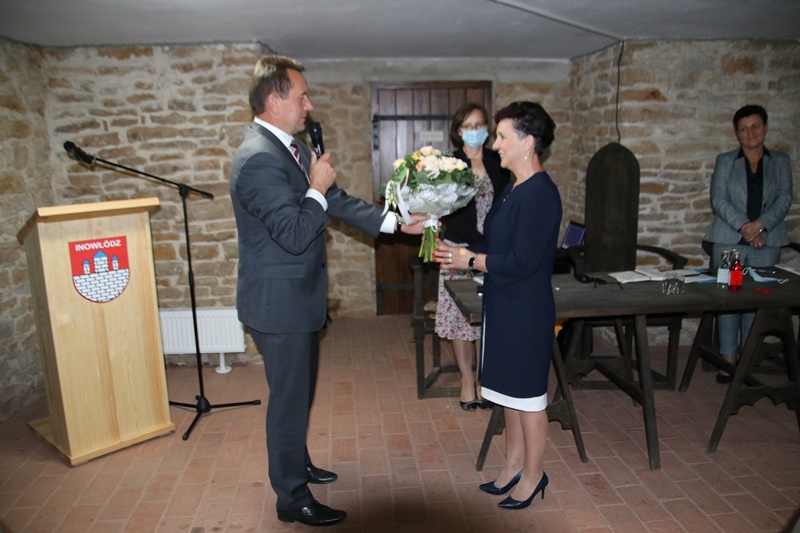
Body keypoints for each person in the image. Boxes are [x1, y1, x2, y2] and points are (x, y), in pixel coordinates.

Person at [229, 54, 427, 527]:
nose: (309, 105)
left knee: (297, 394)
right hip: (278, 305)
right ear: (274, 100)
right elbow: (296, 232)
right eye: (301, 97)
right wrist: (316, 186)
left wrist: (395, 223)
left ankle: (298, 465)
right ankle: (291, 497)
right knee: (288, 402)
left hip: (296, 300)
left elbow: (332, 200)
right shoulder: (258, 159)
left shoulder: (288, 148)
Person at [433, 101, 562, 510]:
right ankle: (513, 466)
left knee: (529, 399)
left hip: (525, 310)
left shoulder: (541, 194)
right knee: (507, 394)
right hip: (502, 303)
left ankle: (535, 475)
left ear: (528, 142)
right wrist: (452, 245)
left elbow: (523, 261)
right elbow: (495, 242)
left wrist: (470, 261)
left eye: (503, 136)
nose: (495, 143)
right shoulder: (513, 188)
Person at [703, 104, 793, 384]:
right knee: (729, 298)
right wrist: (746, 227)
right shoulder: (726, 161)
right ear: (737, 133)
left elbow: (785, 198)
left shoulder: (780, 161)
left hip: (767, 241)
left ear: (765, 128)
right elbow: (719, 199)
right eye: (743, 128)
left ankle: (748, 357)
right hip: (729, 241)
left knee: (757, 299)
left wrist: (760, 225)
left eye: (755, 126)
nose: (750, 132)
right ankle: (728, 359)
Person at [437, 102, 511, 410]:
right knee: (459, 319)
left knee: (486, 316)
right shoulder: (448, 163)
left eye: (479, 124)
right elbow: (446, 209)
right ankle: (467, 380)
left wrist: (492, 241)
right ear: (458, 131)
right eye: (467, 126)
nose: (474, 131)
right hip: (457, 247)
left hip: (492, 249)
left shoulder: (498, 160)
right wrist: (475, 242)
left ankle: (485, 379)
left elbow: (507, 202)